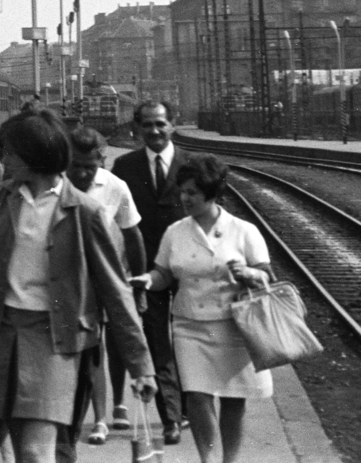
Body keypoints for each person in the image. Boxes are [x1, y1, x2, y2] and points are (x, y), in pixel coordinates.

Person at [0, 107, 156, 463]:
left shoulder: (85, 212)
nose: (3, 158)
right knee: (7, 449)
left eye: (9, 151)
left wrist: (141, 365)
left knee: (36, 453)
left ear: (34, 154)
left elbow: (117, 294)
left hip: (55, 342)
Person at [130, 156, 273, 463]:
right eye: (182, 191)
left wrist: (249, 273)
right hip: (189, 326)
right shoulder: (175, 232)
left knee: (234, 400)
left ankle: (229, 460)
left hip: (234, 327)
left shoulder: (243, 230)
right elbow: (163, 274)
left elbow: (265, 276)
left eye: (193, 192)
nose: (185, 198)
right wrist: (146, 280)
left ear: (212, 192)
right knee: (196, 396)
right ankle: (208, 459)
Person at [111, 99, 188, 444]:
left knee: (187, 340)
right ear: (137, 129)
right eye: (147, 125)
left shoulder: (193, 165)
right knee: (157, 340)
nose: (154, 131)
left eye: (160, 124)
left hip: (189, 267)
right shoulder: (125, 167)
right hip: (147, 270)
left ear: (173, 124)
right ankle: (171, 417)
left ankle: (188, 406)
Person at [64, 125, 146, 449]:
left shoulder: (115, 187)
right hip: (68, 282)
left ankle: (101, 418)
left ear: (102, 159)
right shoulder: (55, 184)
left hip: (107, 277)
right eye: (76, 165)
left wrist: (138, 287)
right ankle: (78, 416)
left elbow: (133, 236)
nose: (83, 173)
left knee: (98, 348)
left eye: (90, 166)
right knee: (84, 351)